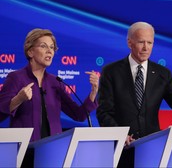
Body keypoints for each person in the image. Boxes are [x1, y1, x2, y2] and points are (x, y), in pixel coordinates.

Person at [96, 21, 172, 167]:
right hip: (120, 150)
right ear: (129, 42)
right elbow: (104, 111)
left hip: (152, 150)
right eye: (141, 42)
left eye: (150, 42)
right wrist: (119, 134)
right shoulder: (111, 72)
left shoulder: (162, 74)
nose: (146, 48)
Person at [0, 28, 99, 166]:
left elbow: (79, 115)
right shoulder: (16, 78)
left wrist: (93, 92)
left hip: (52, 153)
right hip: (24, 153)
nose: (49, 51)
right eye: (43, 46)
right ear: (30, 51)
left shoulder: (55, 82)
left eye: (52, 47)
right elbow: (1, 113)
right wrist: (19, 99)